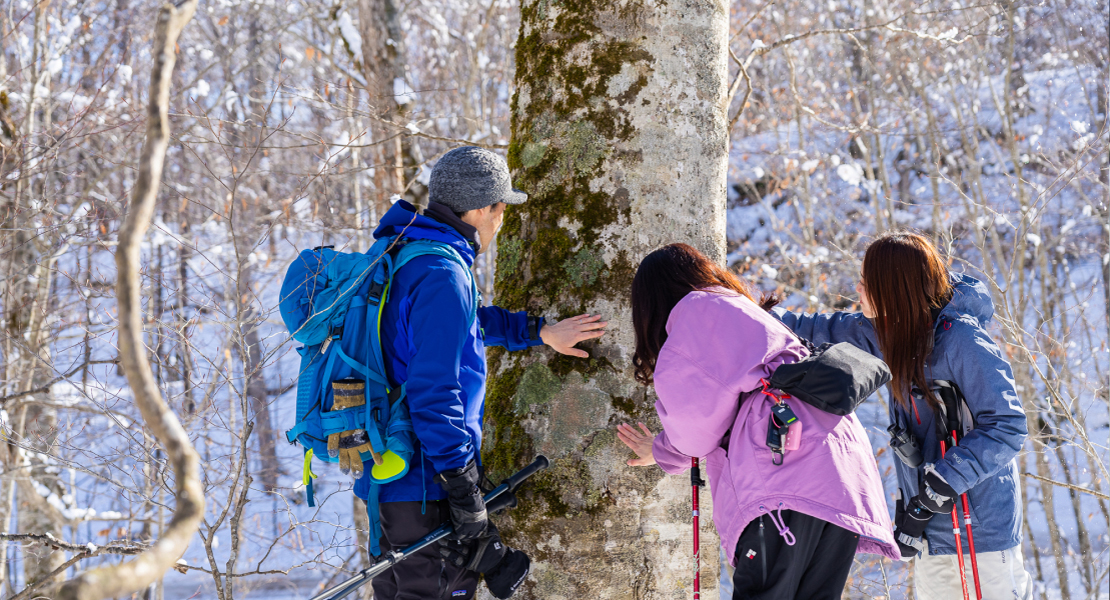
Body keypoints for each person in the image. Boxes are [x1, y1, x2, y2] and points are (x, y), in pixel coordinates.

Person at [360, 147, 607, 600]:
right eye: (500, 211)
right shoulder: (442, 273)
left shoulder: (409, 254)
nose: (500, 223)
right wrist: (462, 485)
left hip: (393, 483)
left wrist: (537, 331)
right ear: (481, 209)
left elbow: (459, 324)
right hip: (426, 487)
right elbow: (433, 390)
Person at [616, 243, 898, 600]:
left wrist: (661, 451)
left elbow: (695, 427)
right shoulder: (745, 311)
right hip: (841, 477)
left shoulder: (696, 313)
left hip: (784, 481)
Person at [774, 230, 1032, 600]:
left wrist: (941, 483)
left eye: (867, 282)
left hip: (978, 541)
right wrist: (746, 310)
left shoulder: (961, 339)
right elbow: (818, 329)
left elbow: (1007, 426)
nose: (858, 288)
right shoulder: (892, 333)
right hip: (930, 535)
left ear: (892, 288)